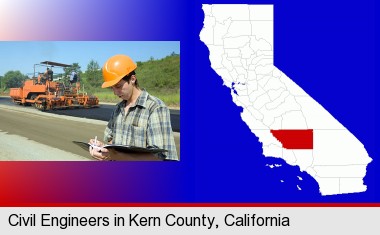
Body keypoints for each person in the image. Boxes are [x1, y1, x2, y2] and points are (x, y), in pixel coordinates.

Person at [88, 54, 178, 161]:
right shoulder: (118, 109)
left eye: (118, 86)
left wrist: (113, 156)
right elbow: (112, 142)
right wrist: (102, 148)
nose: (115, 92)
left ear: (132, 79)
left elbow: (158, 157)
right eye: (112, 88)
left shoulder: (154, 108)